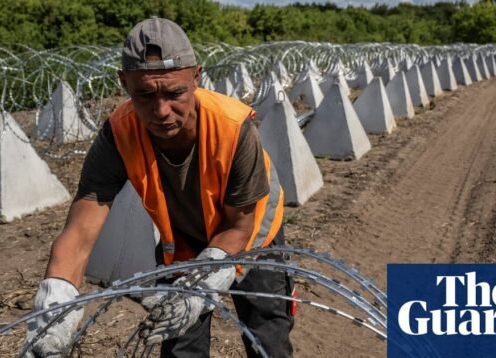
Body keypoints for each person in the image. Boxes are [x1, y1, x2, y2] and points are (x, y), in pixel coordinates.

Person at [23, 17, 294, 358]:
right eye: (145, 95)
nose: (161, 110)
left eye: (174, 92)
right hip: (182, 236)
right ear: (124, 83)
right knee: (180, 339)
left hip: (250, 229)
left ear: (196, 77)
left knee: (266, 331)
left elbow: (238, 226)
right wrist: (55, 307)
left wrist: (202, 285)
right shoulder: (119, 134)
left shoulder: (233, 129)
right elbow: (79, 233)